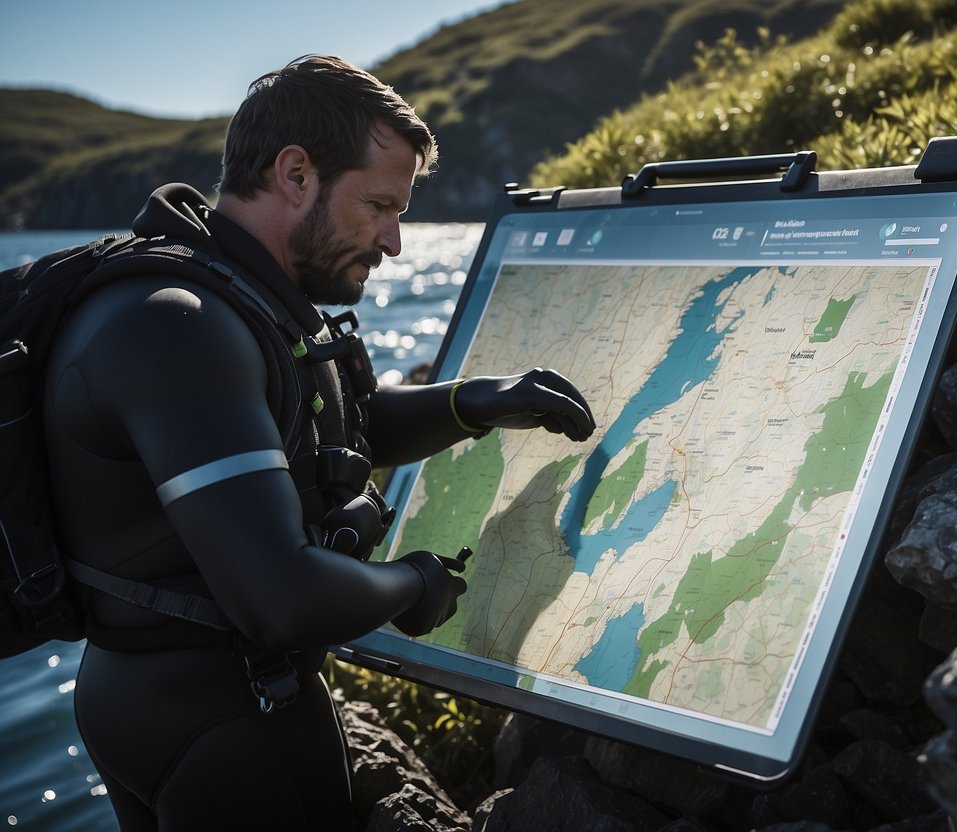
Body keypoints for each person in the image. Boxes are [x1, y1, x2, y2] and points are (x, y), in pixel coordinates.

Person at [42, 54, 595, 830]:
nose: (395, 241)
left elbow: (337, 437)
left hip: (148, 698)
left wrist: (473, 402)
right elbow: (282, 599)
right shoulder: (180, 326)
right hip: (229, 721)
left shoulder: (218, 298)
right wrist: (414, 583)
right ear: (295, 174)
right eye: (377, 205)